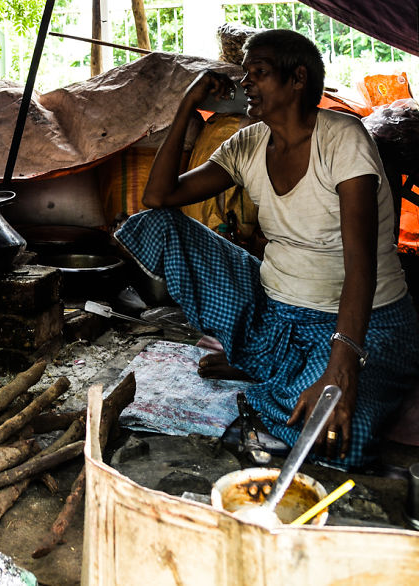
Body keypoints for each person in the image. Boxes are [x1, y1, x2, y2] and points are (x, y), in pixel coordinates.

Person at [114, 29, 419, 470]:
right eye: (244, 74)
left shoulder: (343, 139)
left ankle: (284, 374)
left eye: (257, 72)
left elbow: (362, 266)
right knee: (160, 225)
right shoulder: (249, 142)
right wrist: (187, 105)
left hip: (360, 324)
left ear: (297, 79)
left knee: (334, 438)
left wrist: (341, 370)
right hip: (279, 312)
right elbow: (158, 197)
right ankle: (282, 373)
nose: (245, 83)